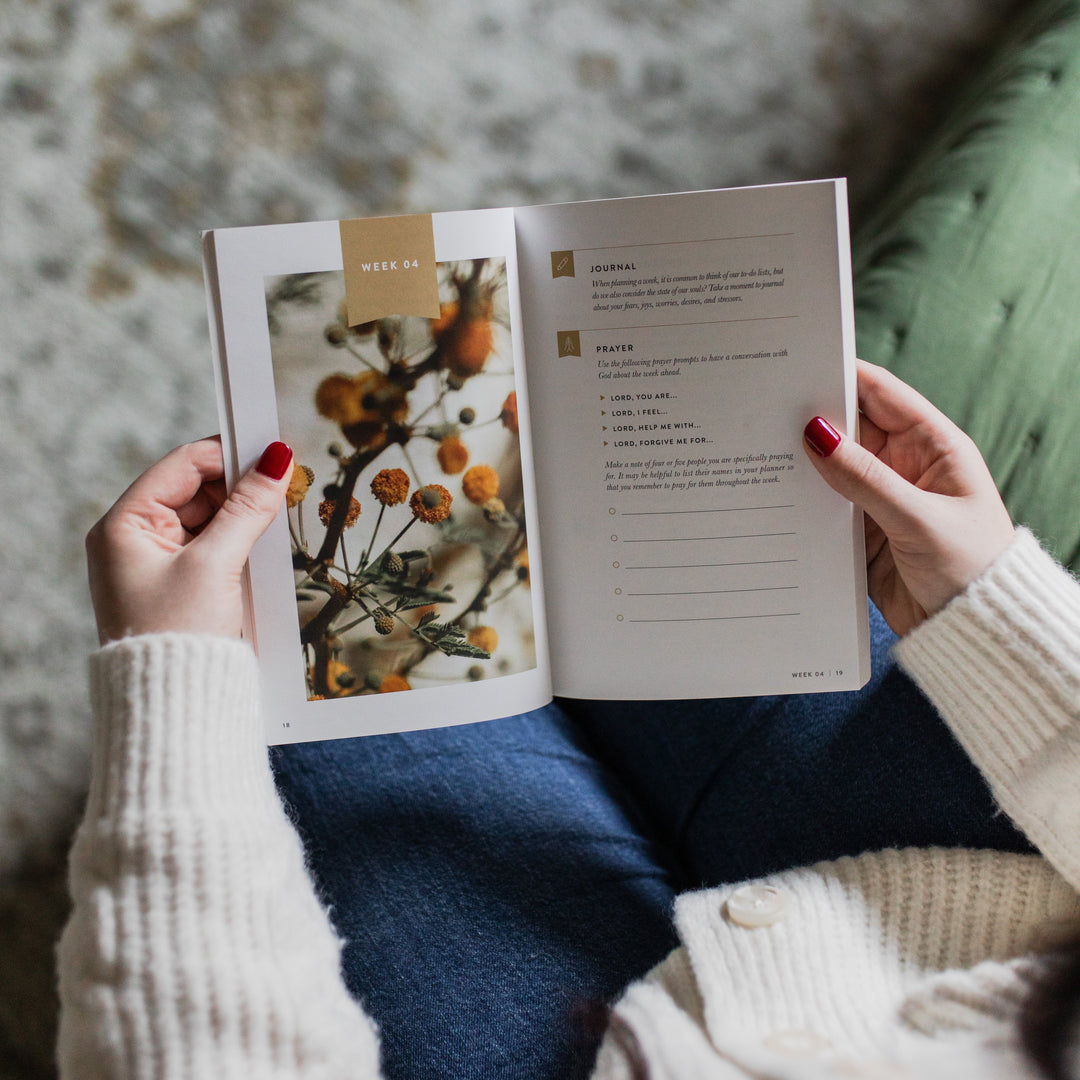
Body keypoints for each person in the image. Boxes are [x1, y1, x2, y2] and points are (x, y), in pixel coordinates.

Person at [60, 359, 1080, 1079]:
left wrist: (175, 698)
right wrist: (995, 604)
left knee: (329, 627)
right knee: (607, 506)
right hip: (1008, 895)